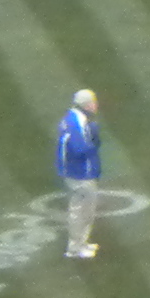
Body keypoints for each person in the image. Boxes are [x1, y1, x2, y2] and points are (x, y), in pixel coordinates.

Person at [55, 89, 105, 258]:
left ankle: (80, 244)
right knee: (82, 212)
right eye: (94, 102)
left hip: (74, 173)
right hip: (79, 175)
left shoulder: (72, 119)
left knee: (83, 211)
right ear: (87, 105)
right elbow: (79, 150)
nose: (96, 105)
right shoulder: (78, 124)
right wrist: (93, 140)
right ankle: (75, 249)